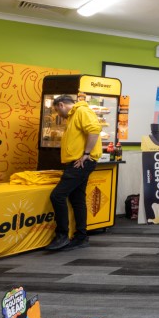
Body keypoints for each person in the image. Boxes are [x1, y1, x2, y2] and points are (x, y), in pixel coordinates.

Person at [46, 95, 104, 251]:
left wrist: (86, 154)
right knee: (77, 198)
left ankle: (62, 236)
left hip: (81, 163)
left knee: (57, 195)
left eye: (57, 110)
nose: (58, 114)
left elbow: (94, 130)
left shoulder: (81, 111)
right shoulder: (75, 115)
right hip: (79, 162)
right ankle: (81, 237)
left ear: (62, 105)